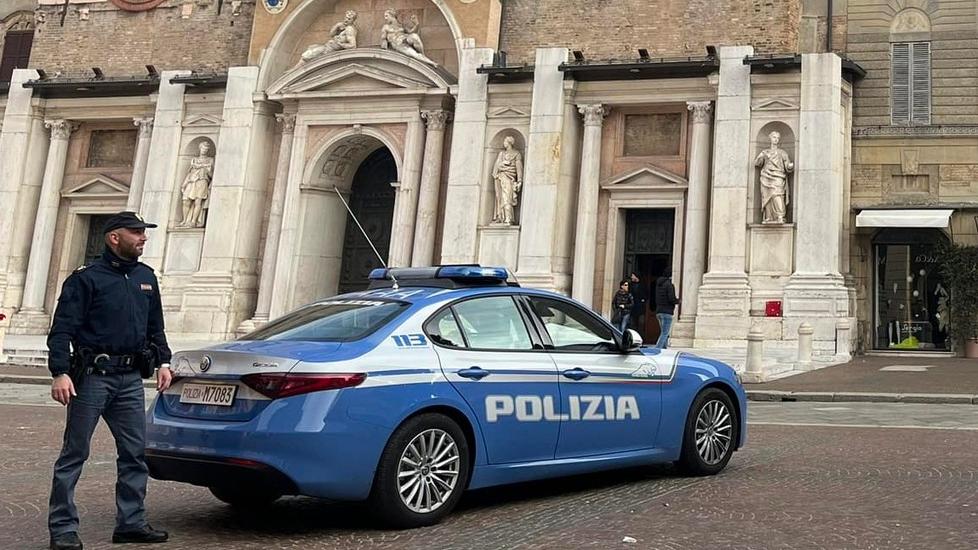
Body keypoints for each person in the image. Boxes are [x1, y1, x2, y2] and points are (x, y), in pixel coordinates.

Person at [47, 211, 173, 550]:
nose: (143, 238)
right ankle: (63, 530)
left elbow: (155, 327)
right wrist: (59, 371)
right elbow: (61, 330)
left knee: (134, 453)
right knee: (75, 453)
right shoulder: (85, 278)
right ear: (113, 237)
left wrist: (164, 361)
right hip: (91, 379)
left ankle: (130, 524)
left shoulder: (147, 277)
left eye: (144, 232)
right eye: (136, 232)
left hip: (131, 379)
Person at [754, 130, 794, 224]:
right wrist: (761, 157)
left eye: (777, 138)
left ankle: (780, 216)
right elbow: (757, 163)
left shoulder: (782, 153)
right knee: (767, 197)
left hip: (778, 176)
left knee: (777, 195)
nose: (775, 139)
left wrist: (789, 166)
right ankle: (768, 217)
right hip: (766, 177)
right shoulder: (765, 152)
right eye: (774, 137)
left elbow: (787, 165)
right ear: (770, 138)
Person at [179, 141, 214, 228]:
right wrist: (184, 183)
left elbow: (211, 175)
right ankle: (184, 220)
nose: (204, 150)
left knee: (198, 201)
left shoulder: (210, 160)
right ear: (200, 148)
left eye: (206, 149)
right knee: (186, 200)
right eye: (203, 148)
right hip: (192, 181)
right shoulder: (194, 160)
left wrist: (205, 169)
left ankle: (193, 221)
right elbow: (189, 173)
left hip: (202, 181)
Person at [491, 136, 524, 225]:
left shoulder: (516, 154)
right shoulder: (501, 154)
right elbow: (496, 166)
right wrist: (501, 165)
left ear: (509, 143)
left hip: (510, 178)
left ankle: (508, 218)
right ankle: (500, 216)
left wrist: (520, 180)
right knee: (499, 197)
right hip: (500, 177)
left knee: (507, 198)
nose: (503, 143)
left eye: (505, 141)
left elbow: (519, 168)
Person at [653, 268, 679, 348]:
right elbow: (671, 298)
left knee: (663, 332)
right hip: (667, 311)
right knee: (665, 333)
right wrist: (677, 301)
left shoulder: (658, 285)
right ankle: (657, 349)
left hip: (659, 311)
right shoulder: (669, 285)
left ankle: (663, 350)